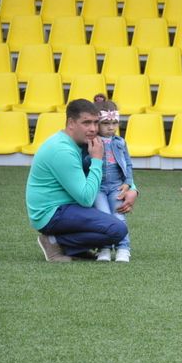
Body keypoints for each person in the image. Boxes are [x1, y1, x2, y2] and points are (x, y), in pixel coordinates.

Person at [26, 99, 134, 262]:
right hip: (52, 212)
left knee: (110, 223)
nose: (93, 128)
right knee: (117, 229)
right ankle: (55, 242)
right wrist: (97, 159)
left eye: (96, 123)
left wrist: (132, 188)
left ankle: (74, 247)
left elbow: (114, 167)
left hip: (67, 205)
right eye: (86, 123)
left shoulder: (82, 141)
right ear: (71, 122)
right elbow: (86, 198)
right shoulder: (62, 149)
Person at [88, 94, 137, 262]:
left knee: (119, 215)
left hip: (117, 186)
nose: (111, 128)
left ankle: (124, 248)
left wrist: (128, 183)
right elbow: (86, 164)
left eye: (114, 123)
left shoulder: (120, 142)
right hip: (98, 187)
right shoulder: (92, 142)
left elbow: (128, 164)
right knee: (103, 216)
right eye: (106, 123)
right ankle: (105, 248)